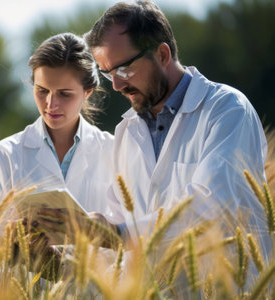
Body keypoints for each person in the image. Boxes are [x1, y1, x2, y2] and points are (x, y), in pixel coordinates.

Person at [83, 0, 269, 257]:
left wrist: (117, 234)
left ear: (162, 55)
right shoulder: (126, 133)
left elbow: (215, 208)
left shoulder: (227, 110)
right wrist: (61, 262)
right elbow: (119, 247)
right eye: (107, 73)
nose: (116, 85)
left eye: (124, 68)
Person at [0, 33, 123, 241]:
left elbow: (128, 240)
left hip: (95, 274)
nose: (51, 104)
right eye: (42, 91)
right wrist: (13, 244)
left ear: (87, 92)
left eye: (64, 94)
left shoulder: (114, 151)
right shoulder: (6, 154)